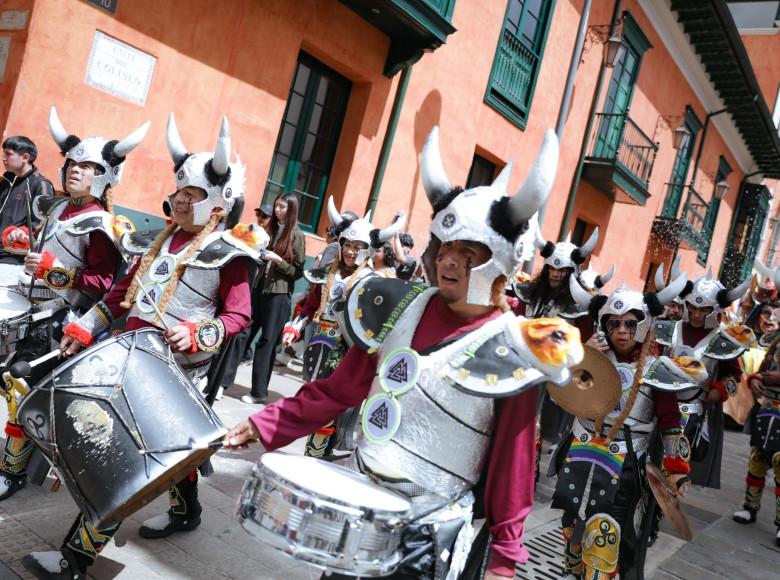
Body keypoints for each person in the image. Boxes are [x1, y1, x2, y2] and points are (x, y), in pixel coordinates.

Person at [225, 128, 586, 580]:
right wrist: (265, 424)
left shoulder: (512, 348)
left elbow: (513, 465)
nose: (450, 261)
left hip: (429, 535)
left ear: (498, 261)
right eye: (446, 248)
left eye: (468, 253)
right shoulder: (399, 308)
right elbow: (338, 390)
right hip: (360, 514)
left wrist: (504, 559)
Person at [21, 113, 266, 580]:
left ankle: (74, 561)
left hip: (178, 371)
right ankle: (187, 510)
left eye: (192, 195)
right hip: (131, 358)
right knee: (169, 451)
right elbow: (118, 296)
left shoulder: (227, 254)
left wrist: (197, 333)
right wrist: (85, 329)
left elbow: (239, 317)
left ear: (216, 204)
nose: (180, 200)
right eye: (179, 192)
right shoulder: (155, 244)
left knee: (123, 462)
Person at [0, 106, 149, 502]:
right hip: (30, 308)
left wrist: (53, 271)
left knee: (22, 387)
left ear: (105, 177)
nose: (75, 171)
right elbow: (45, 250)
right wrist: (25, 244)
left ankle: (11, 471)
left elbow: (102, 283)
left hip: (63, 318)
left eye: (87, 167)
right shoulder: (58, 207)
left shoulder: (103, 224)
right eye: (72, 164)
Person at [553, 273, 693, 579]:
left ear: (642, 325)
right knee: (572, 526)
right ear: (603, 325)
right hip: (580, 453)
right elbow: (564, 391)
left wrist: (677, 468)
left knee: (606, 531)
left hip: (626, 462)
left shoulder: (657, 369)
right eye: (614, 323)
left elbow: (671, 421)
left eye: (630, 323)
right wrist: (584, 356)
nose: (622, 330)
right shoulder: (589, 355)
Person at [282, 197, 404, 456]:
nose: (350, 251)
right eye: (347, 245)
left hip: (347, 351)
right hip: (317, 345)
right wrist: (295, 326)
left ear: (368, 251)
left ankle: (315, 456)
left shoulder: (373, 283)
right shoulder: (327, 273)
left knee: (329, 405)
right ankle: (317, 451)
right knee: (313, 395)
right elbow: (311, 306)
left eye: (357, 247)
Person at [655, 269, 753, 488]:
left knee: (672, 466)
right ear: (685, 305)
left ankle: (660, 509)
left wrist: (720, 389)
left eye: (704, 309)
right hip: (656, 404)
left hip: (691, 411)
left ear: (715, 310)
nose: (697, 314)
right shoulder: (667, 329)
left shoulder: (722, 339)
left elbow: (734, 376)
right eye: (693, 308)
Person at [242, 192, 305, 405]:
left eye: (282, 207)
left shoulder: (296, 235)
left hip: (278, 294)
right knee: (243, 332)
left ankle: (258, 392)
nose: (277, 211)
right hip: (259, 287)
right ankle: (222, 382)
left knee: (267, 341)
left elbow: (297, 271)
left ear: (291, 210)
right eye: (277, 206)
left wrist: (277, 260)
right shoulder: (269, 229)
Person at [733, 267, 780, 546]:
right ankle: (750, 508)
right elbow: (762, 368)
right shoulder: (776, 341)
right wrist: (754, 381)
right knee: (758, 459)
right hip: (768, 407)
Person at [0, 136, 55, 267]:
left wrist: (19, 239)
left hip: (14, 259)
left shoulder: (41, 184)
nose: (3, 158)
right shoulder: (5, 181)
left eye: (8, 154)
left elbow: (43, 225)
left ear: (25, 157)